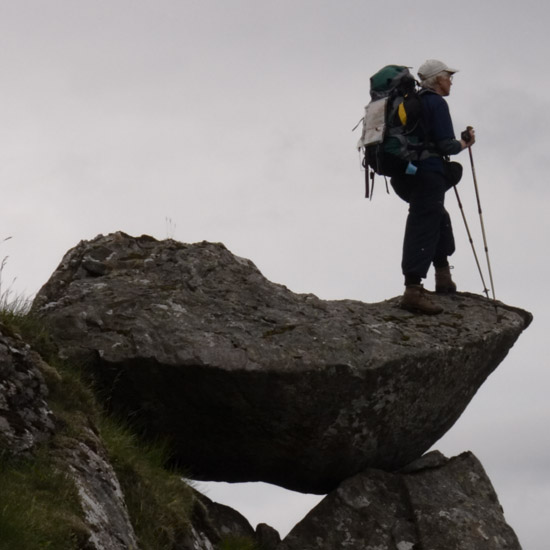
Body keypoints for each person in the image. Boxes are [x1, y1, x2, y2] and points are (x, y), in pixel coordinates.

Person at [390, 59, 475, 314]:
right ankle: (413, 290)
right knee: (424, 221)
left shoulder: (410, 102)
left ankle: (443, 276)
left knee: (436, 215)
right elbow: (446, 146)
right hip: (427, 173)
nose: (450, 81)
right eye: (448, 77)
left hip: (404, 175)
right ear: (437, 79)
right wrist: (465, 142)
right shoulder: (435, 102)